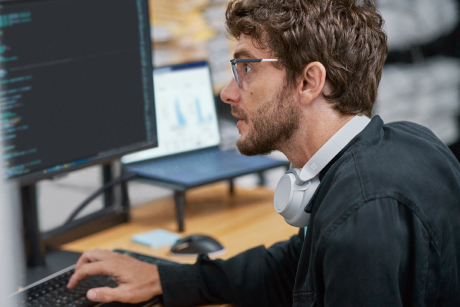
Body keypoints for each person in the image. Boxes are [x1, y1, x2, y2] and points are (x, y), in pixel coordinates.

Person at [67, 0, 460, 306]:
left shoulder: (360, 216)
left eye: (246, 67)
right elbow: (293, 265)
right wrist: (167, 280)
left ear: (309, 81)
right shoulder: (412, 142)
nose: (228, 92)